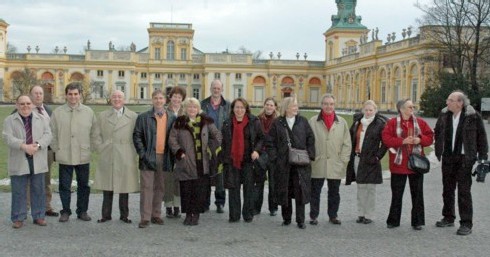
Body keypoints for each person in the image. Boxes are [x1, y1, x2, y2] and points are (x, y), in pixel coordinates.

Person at [434, 91, 488, 236]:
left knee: (464, 191)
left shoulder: (473, 116)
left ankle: (466, 223)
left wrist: (483, 158)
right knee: (447, 189)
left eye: (450, 100)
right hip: (448, 156)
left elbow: (482, 138)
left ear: (460, 103)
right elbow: (437, 131)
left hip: (465, 158)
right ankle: (448, 217)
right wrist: (438, 148)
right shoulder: (444, 115)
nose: (447, 102)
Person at [50, 82, 100, 222]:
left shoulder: (88, 112)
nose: (73, 97)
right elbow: (52, 133)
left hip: (83, 155)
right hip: (64, 154)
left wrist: (93, 148)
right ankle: (65, 211)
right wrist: (56, 149)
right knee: (64, 185)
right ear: (66, 95)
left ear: (80, 95)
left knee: (83, 185)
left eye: (76, 94)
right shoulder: (58, 113)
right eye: (70, 94)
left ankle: (82, 211)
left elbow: (94, 133)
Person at [169, 97, 222, 225]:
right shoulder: (180, 122)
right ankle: (188, 214)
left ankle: (196, 214)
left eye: (194, 107)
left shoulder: (206, 121)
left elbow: (217, 135)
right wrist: (179, 152)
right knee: (186, 190)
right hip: (186, 161)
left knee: (199, 190)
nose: (192, 109)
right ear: (185, 109)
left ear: (198, 109)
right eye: (189, 107)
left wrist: (211, 147)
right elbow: (172, 139)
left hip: (202, 161)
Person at [381, 98, 433, 230]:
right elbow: (386, 139)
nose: (412, 109)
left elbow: (430, 137)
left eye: (413, 107)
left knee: (417, 195)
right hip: (398, 165)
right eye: (410, 107)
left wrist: (419, 140)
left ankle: (417, 222)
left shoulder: (420, 122)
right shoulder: (392, 123)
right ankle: (393, 221)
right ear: (401, 109)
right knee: (397, 195)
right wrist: (402, 141)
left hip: (416, 165)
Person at [2, 95, 52, 228]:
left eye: (28, 103)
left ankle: (39, 216)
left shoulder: (41, 119)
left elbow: (48, 135)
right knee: (19, 190)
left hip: (37, 157)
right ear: (17, 105)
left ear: (32, 105)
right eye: (22, 104)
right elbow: (7, 137)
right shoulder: (9, 120)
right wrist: (24, 146)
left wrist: (38, 145)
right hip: (19, 159)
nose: (25, 106)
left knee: (38, 189)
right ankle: (18, 217)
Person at [93, 90, 139, 224]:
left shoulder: (133, 116)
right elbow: (96, 135)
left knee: (125, 186)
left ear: (124, 99)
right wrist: (101, 148)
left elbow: (137, 136)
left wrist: (133, 151)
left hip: (126, 153)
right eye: (114, 97)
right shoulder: (102, 116)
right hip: (108, 152)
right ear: (110, 99)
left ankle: (124, 215)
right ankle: (106, 215)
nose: (117, 99)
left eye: (119, 97)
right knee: (107, 186)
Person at [133, 89, 176, 228]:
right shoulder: (143, 117)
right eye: (156, 98)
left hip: (165, 157)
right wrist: (143, 154)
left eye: (161, 98)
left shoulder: (171, 117)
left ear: (165, 100)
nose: (158, 100)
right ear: (152, 100)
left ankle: (156, 214)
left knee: (160, 187)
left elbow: (175, 137)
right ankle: (145, 217)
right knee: (146, 187)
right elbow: (137, 136)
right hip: (148, 156)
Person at [270, 97, 315, 229]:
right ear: (286, 108)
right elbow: (270, 142)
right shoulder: (277, 123)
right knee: (285, 191)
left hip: (300, 164)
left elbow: (310, 138)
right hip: (283, 164)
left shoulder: (303, 121)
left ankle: (301, 220)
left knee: (300, 191)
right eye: (293, 106)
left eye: (296, 106)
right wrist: (275, 158)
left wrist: (310, 155)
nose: (296, 108)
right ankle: (287, 218)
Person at [308, 94, 350, 226]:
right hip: (318, 162)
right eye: (326, 104)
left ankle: (333, 215)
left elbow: (347, 143)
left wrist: (343, 160)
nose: (328, 106)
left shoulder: (342, 122)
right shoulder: (313, 121)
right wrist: (311, 157)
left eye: (331, 104)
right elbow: (308, 141)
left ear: (334, 105)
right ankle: (313, 216)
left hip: (335, 162)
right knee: (315, 191)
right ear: (321, 105)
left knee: (334, 192)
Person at [221, 97, 264, 223]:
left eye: (242, 107)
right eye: (237, 107)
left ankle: (248, 214)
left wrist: (257, 150)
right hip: (232, 160)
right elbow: (223, 142)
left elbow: (261, 139)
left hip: (248, 161)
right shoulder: (227, 123)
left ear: (246, 109)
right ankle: (234, 215)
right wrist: (224, 157)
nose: (239, 110)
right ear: (233, 109)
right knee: (233, 188)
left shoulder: (254, 121)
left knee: (248, 188)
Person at [346, 100, 388, 224]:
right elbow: (350, 138)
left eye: (371, 110)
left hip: (371, 160)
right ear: (363, 110)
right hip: (358, 158)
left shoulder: (380, 124)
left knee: (370, 188)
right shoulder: (357, 123)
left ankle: (369, 215)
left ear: (375, 111)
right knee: (360, 186)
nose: (368, 112)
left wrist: (378, 157)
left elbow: (385, 143)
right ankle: (360, 213)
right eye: (366, 110)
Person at [201, 79, 230, 213]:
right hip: (206, 143)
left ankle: (220, 202)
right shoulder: (203, 104)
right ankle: (205, 202)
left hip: (221, 143)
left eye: (218, 88)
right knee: (205, 173)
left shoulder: (227, 106)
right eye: (214, 88)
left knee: (220, 174)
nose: (216, 90)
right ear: (211, 89)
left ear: (222, 89)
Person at [29, 85, 58, 217]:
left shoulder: (47, 110)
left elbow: (53, 131)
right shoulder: (25, 108)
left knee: (46, 180)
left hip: (47, 151)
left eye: (40, 93)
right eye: (36, 93)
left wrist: (55, 150)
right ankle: (25, 208)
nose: (38, 95)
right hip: (31, 150)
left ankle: (46, 207)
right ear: (31, 95)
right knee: (29, 181)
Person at [253, 97, 279, 216]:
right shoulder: (257, 119)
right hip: (261, 153)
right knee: (259, 183)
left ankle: (273, 208)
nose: (269, 107)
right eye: (267, 105)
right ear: (264, 106)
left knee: (274, 183)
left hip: (274, 155)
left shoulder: (279, 121)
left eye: (271, 105)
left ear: (275, 107)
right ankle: (256, 207)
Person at [164, 86, 186, 219]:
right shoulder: (165, 112)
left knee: (179, 179)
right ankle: (168, 206)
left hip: (182, 150)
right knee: (168, 179)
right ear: (170, 97)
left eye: (179, 97)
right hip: (167, 150)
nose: (177, 99)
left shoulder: (185, 112)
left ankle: (177, 205)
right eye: (174, 96)